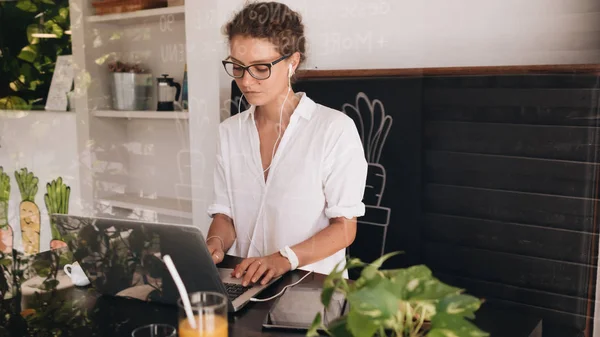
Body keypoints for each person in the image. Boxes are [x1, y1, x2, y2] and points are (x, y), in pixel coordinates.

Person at [205, 1, 368, 287]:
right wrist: (214, 244)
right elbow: (225, 215)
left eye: (260, 68)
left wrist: (283, 259)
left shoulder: (334, 129)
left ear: (292, 62)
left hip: (313, 289)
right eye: (238, 67)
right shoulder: (229, 132)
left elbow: (344, 228)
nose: (246, 80)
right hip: (245, 284)